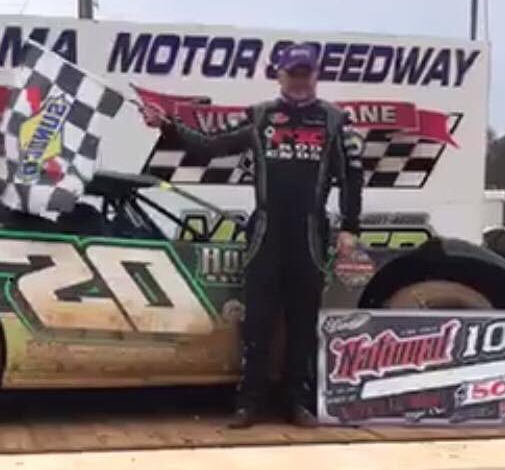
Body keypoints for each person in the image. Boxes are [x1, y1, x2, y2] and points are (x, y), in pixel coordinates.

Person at [140, 43, 363, 428]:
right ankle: (249, 403)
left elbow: (352, 176)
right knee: (257, 321)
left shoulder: (334, 120)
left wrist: (350, 227)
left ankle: (299, 402)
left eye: (305, 74)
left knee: (302, 323)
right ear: (280, 76)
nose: (299, 82)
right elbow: (211, 146)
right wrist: (169, 127)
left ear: (315, 76)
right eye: (292, 74)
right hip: (265, 232)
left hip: (310, 233)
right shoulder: (261, 116)